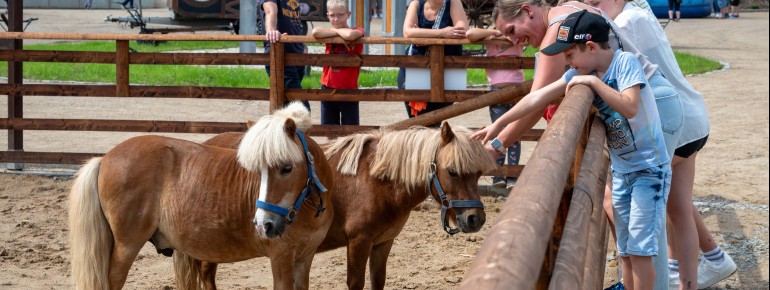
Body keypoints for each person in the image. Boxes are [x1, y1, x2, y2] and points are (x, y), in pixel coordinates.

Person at [474, 11, 671, 289]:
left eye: (569, 55)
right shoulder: (583, 69)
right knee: (626, 249)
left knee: (640, 252)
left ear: (591, 48)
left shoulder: (624, 63)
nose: (567, 63)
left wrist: (592, 83)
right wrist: (499, 125)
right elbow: (538, 97)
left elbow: (630, 106)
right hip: (623, 170)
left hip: (648, 170)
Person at [587, 0, 737, 289]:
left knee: (655, 201)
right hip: (690, 115)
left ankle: (662, 278)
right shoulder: (639, 13)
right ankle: (705, 266)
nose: (595, 9)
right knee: (677, 204)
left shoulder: (625, 22)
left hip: (669, 120)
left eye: (596, 3)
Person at [466, 24, 524, 188]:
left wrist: (503, 35)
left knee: (514, 132)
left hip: (517, 90)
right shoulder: (490, 37)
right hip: (496, 90)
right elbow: (470, 33)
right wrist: (493, 32)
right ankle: (498, 174)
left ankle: (512, 174)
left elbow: (515, 37)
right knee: (498, 131)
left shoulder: (515, 36)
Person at [397, 0, 468, 125]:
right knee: (417, 120)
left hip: (448, 70)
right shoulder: (416, 4)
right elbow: (408, 32)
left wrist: (424, 37)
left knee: (434, 119)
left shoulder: (453, 3)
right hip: (415, 66)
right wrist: (442, 33)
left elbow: (462, 31)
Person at [311, 0, 365, 125]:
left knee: (351, 131)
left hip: (349, 88)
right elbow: (315, 32)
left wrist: (334, 32)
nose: (336, 19)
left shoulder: (357, 30)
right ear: (327, 15)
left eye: (340, 15)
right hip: (328, 86)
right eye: (332, 15)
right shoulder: (329, 33)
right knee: (328, 128)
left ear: (348, 14)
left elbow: (351, 35)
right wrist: (336, 32)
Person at [260, 0, 311, 111]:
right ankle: (299, 129)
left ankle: (284, 128)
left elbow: (293, 24)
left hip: (297, 56)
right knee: (302, 108)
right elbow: (270, 11)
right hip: (281, 57)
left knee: (287, 105)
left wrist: (301, 45)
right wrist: (272, 31)